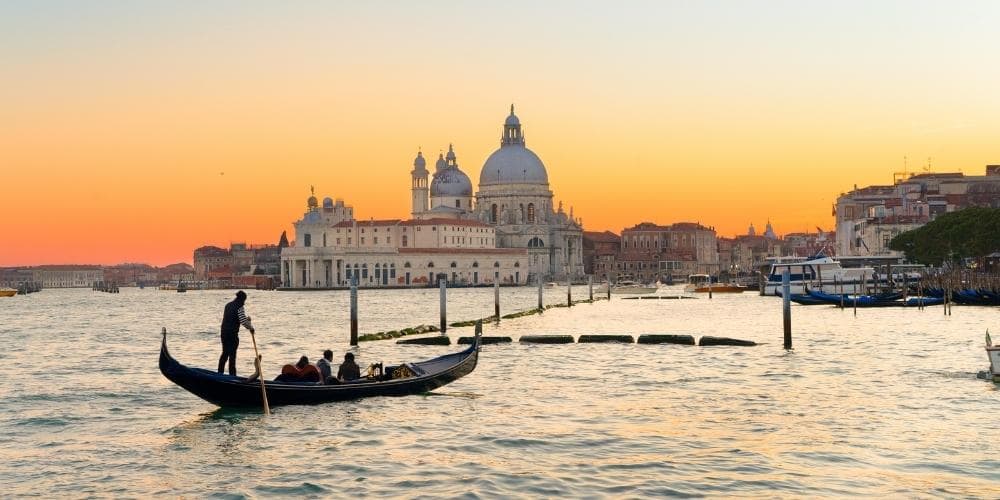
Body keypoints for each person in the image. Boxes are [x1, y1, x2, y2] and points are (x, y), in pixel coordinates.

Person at [218, 290, 254, 376]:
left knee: (225, 353)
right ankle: (232, 375)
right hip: (232, 334)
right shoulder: (240, 307)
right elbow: (242, 321)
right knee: (232, 356)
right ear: (242, 299)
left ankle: (219, 373)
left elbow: (237, 317)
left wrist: (247, 320)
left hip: (224, 332)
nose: (244, 303)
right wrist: (251, 328)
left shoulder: (228, 305)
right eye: (244, 300)